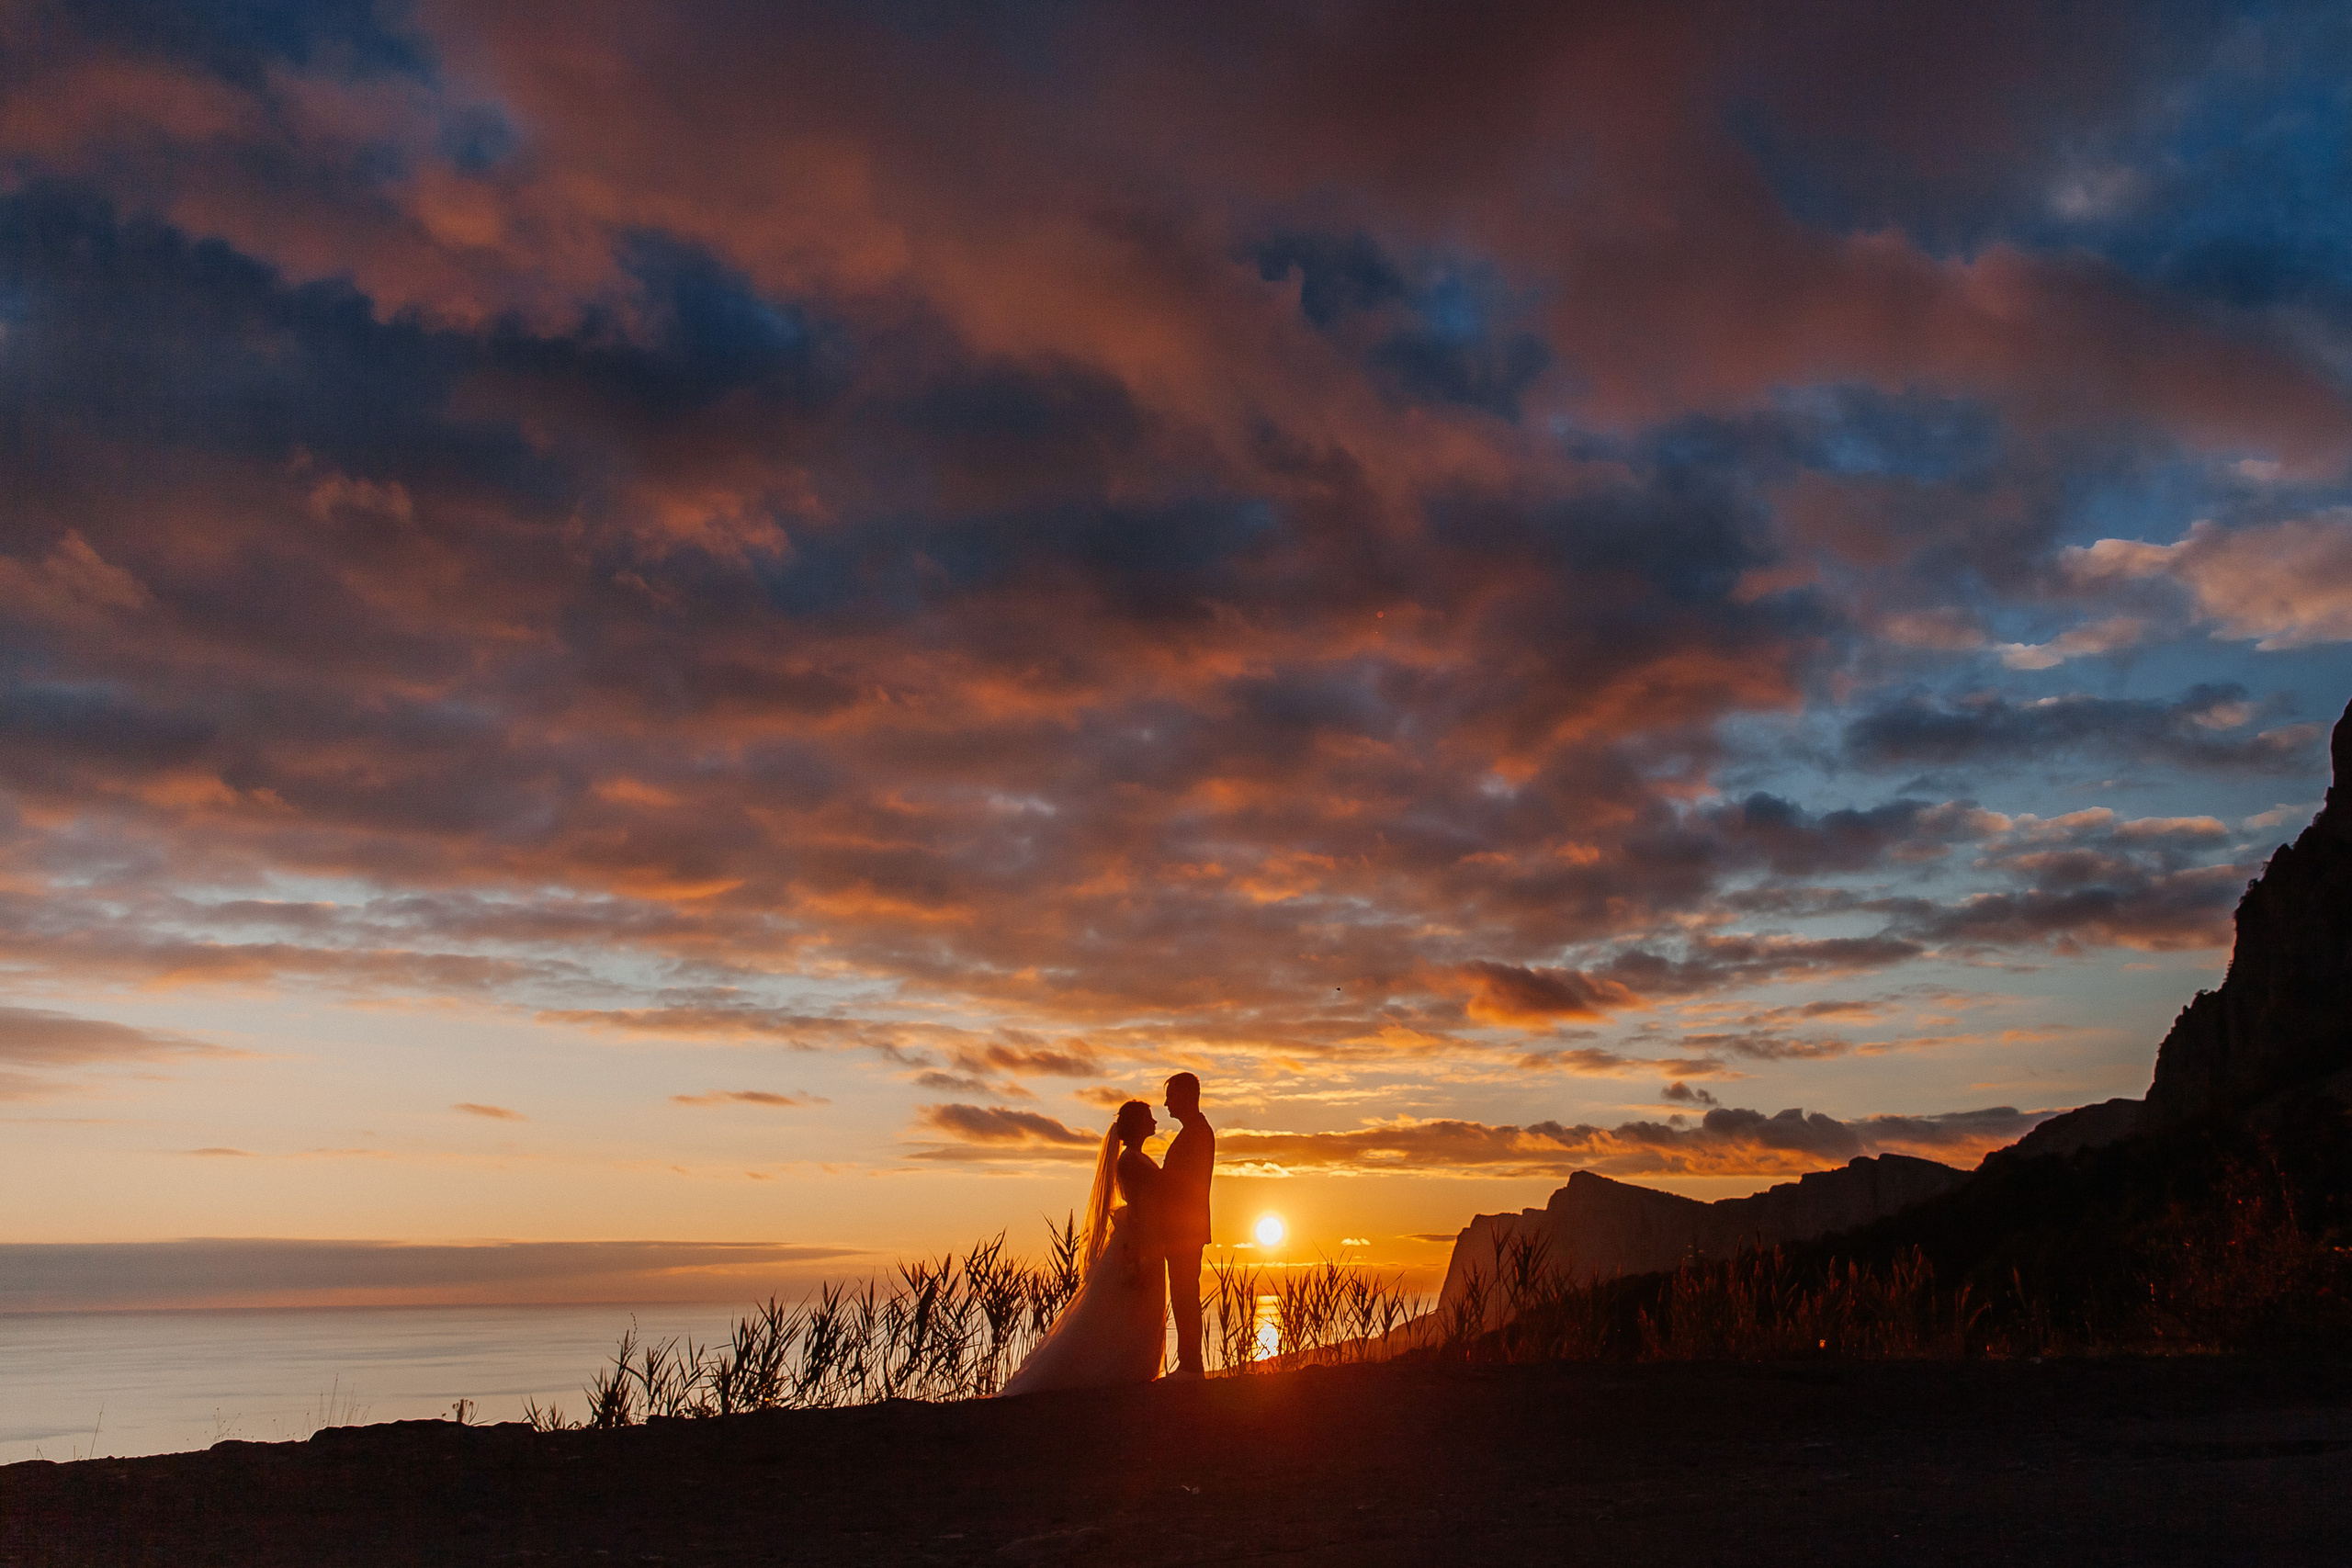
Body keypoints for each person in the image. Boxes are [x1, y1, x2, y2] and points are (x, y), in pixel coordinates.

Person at [999, 1100, 1167, 1394]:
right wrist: (1140, 1248)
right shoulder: (1130, 1161)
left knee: (1131, 1307)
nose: (1154, 1122)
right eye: (1149, 1118)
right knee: (1130, 1306)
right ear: (1138, 1124)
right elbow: (1140, 1206)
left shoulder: (1136, 1157)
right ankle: (1124, 1369)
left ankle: (1132, 1368)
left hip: (1145, 1237)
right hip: (1138, 1239)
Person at [1159, 1071, 1214, 1378]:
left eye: (1171, 1096)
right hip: (1183, 1228)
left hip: (1185, 1230)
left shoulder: (1198, 1133)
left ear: (1185, 1096)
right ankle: (1190, 1363)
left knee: (1185, 1295)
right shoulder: (1193, 1132)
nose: (1167, 1104)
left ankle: (1191, 1365)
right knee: (1183, 1295)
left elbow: (1182, 1184)